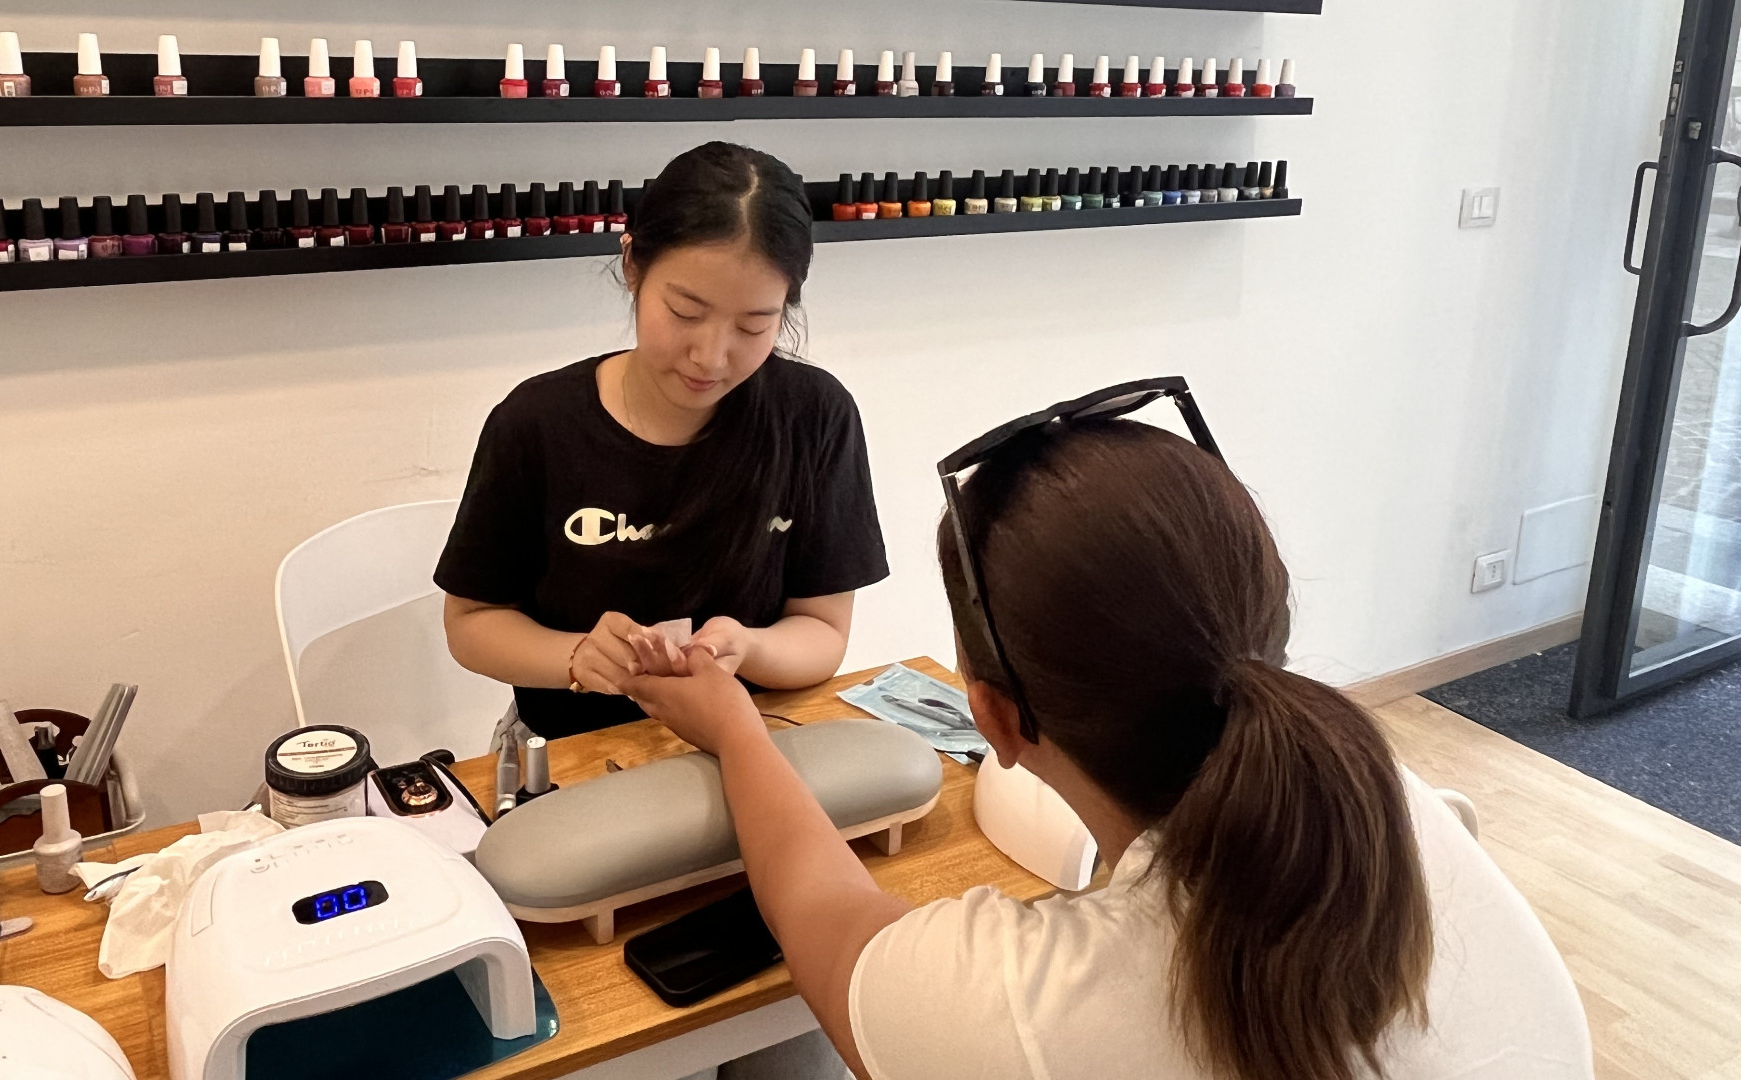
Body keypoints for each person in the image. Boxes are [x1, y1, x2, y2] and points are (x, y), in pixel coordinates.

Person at [622, 387, 1593, 1080]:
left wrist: (735, 728)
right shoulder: (1390, 805)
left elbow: (822, 916)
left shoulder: (1028, 1007)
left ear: (994, 718)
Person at [436, 142, 889, 741]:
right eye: (685, 312)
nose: (711, 357)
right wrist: (577, 657)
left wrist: (748, 647)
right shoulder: (536, 424)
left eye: (753, 325)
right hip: (568, 748)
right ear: (633, 266)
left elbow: (823, 631)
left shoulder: (814, 416)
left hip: (753, 740)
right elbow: (472, 622)